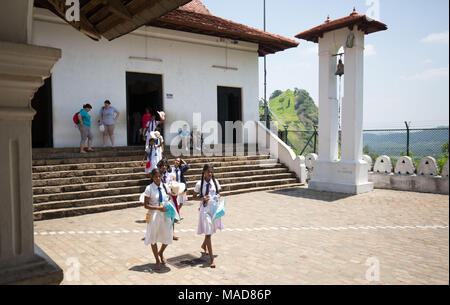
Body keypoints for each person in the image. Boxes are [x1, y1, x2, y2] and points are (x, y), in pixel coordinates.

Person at [192, 163, 223, 268]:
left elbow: (219, 193)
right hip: (205, 210)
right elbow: (193, 197)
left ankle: (204, 245)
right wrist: (202, 199)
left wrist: (217, 196)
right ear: (203, 172)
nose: (210, 173)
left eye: (211, 172)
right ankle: (212, 259)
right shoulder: (199, 184)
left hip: (213, 209)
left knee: (211, 230)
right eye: (208, 172)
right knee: (209, 233)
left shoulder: (215, 182)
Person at [141, 168, 172, 270]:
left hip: (165, 215)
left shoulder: (165, 186)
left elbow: (169, 197)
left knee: (168, 236)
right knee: (153, 238)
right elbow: (146, 205)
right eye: (156, 177)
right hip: (154, 215)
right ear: (152, 177)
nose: (158, 178)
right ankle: (157, 260)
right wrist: (158, 208)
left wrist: (169, 201)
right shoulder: (149, 188)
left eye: (160, 176)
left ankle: (161, 252)